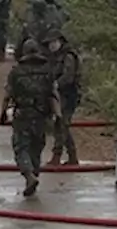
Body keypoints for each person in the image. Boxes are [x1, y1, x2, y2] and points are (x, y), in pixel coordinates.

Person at [0, 39, 59, 196]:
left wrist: (3, 113)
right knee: (37, 147)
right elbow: (53, 95)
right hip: (42, 115)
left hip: (23, 115)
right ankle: (34, 174)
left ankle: (29, 175)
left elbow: (8, 95)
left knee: (21, 147)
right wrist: (57, 115)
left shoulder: (16, 72)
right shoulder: (47, 71)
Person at [45, 29, 81, 165]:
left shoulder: (68, 57)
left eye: (54, 42)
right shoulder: (54, 57)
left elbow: (68, 76)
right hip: (59, 95)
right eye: (50, 43)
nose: (51, 45)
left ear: (60, 41)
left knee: (62, 125)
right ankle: (72, 156)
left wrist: (56, 84)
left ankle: (57, 155)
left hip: (69, 95)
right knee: (61, 125)